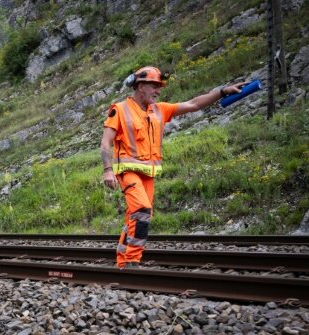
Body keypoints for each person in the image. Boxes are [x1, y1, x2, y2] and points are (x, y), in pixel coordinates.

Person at [100, 66, 248, 268]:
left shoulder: (160, 109)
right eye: (155, 86)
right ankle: (132, 262)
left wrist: (221, 92)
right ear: (140, 86)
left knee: (137, 216)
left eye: (159, 87)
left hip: (148, 174)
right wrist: (107, 170)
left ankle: (121, 262)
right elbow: (105, 143)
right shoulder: (120, 109)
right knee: (142, 210)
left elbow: (194, 104)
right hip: (127, 172)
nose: (158, 90)